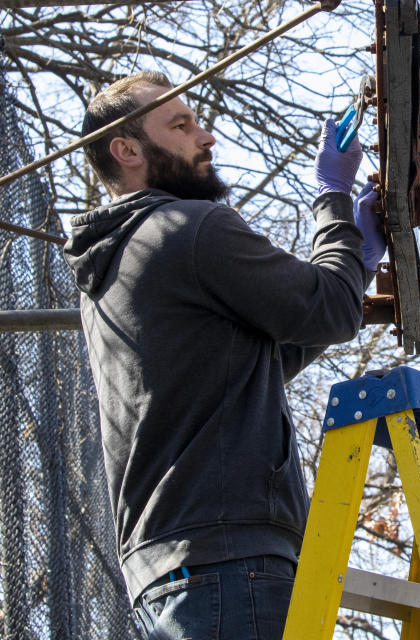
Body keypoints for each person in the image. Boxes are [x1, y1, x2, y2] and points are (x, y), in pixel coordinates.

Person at [62, 71, 385, 638]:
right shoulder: (187, 228)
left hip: (172, 570)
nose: (205, 137)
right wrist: (333, 200)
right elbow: (328, 309)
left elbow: (259, 361)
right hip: (231, 563)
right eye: (181, 125)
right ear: (127, 149)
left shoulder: (113, 269)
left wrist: (354, 260)